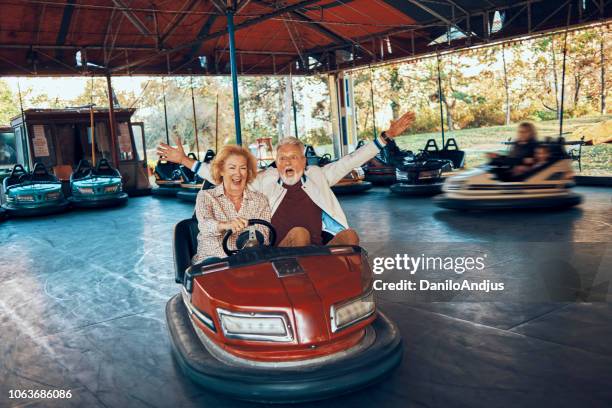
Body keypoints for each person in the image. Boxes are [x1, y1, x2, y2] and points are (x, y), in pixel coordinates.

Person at [158, 111, 415, 247]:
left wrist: (386, 136)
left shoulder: (318, 175)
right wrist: (185, 162)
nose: (287, 163)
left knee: (351, 237)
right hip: (280, 250)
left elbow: (352, 160)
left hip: (317, 248)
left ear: (304, 162)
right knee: (300, 234)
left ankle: (355, 296)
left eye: (293, 158)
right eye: (282, 159)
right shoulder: (266, 180)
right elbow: (225, 176)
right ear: (276, 162)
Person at [192, 144, 271, 264]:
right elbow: (205, 225)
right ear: (221, 170)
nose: (238, 174)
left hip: (246, 262)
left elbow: (263, 236)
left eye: (243, 168)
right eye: (232, 168)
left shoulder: (260, 200)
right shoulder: (206, 196)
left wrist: (252, 241)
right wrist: (226, 225)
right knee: (214, 264)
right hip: (211, 262)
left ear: (248, 172)